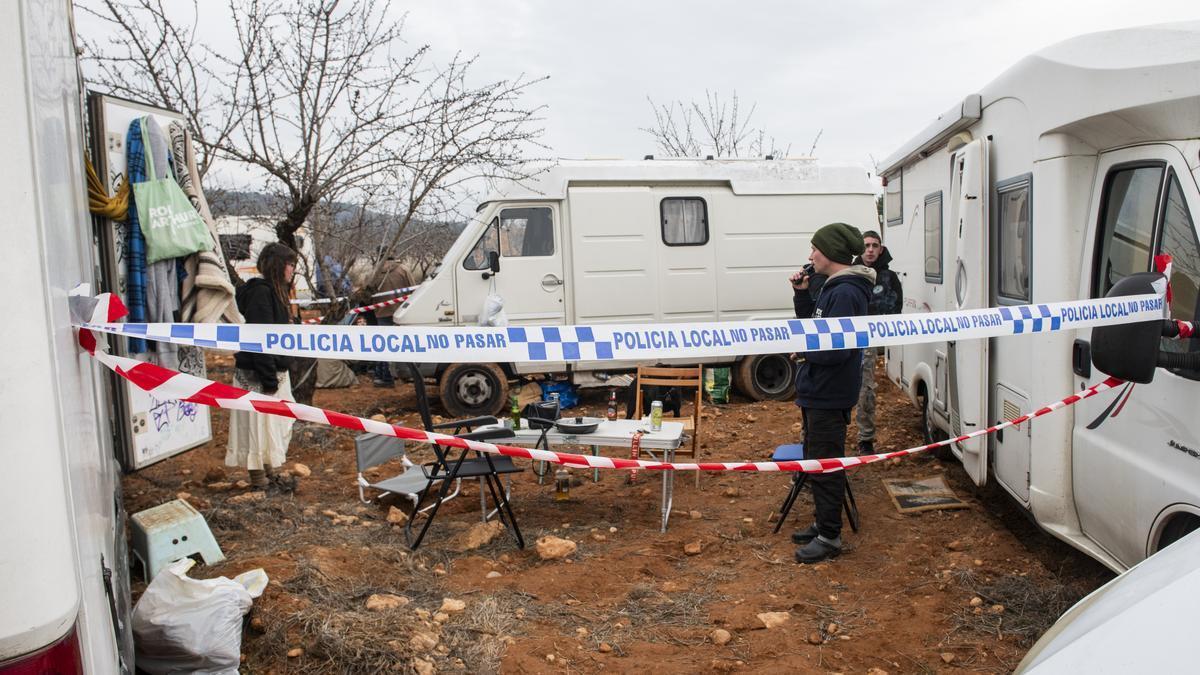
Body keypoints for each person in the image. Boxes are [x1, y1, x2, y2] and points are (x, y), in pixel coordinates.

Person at [789, 222, 875, 563]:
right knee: (816, 461)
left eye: (814, 249)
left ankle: (829, 536)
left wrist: (805, 353)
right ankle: (823, 522)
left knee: (826, 465)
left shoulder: (846, 292)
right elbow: (816, 327)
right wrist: (802, 294)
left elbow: (837, 349)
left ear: (831, 254)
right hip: (818, 390)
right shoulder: (833, 287)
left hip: (829, 392)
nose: (810, 256)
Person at [226, 243, 300, 489]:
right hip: (258, 375)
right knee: (257, 428)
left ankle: (270, 473)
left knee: (273, 426)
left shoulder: (276, 292)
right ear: (278, 265)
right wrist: (269, 379)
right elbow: (260, 340)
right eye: (290, 264)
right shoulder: (261, 293)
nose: (293, 269)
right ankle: (259, 481)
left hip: (273, 372)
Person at [855, 231, 904, 455]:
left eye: (875, 245)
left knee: (866, 389)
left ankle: (865, 438)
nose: (871, 249)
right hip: (846, 338)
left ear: (881, 249)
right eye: (867, 245)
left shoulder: (889, 277)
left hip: (869, 340)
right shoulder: (850, 273)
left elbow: (894, 307)